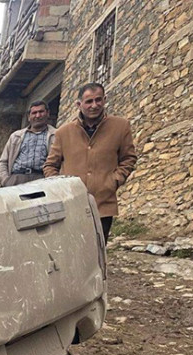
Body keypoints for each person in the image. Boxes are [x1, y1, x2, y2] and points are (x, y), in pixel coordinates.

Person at [44, 83, 137, 240]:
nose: (94, 105)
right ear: (79, 104)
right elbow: (50, 165)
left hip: (103, 203)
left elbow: (129, 158)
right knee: (72, 248)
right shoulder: (63, 133)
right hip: (71, 204)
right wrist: (61, 188)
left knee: (99, 249)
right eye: (89, 101)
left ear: (104, 100)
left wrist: (114, 181)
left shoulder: (120, 126)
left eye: (98, 100)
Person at [0, 100, 56, 186]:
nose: (38, 115)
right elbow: (3, 162)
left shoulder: (55, 135)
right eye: (34, 113)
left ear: (47, 113)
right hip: (16, 179)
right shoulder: (16, 136)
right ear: (29, 117)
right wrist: (6, 180)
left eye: (41, 112)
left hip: (42, 180)